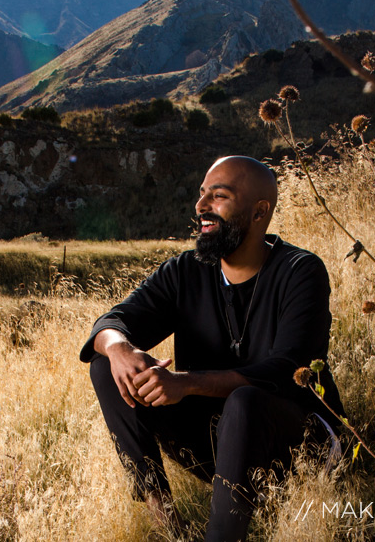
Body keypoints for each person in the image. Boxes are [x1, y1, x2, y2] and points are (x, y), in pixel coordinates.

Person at [79, 155, 343, 541]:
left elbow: (289, 371)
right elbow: (111, 324)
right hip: (219, 442)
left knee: (245, 401)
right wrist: (120, 350)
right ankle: (166, 522)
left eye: (218, 197)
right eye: (202, 194)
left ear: (259, 212)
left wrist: (186, 383)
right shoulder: (186, 271)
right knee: (107, 366)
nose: (201, 207)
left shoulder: (300, 271)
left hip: (298, 442)